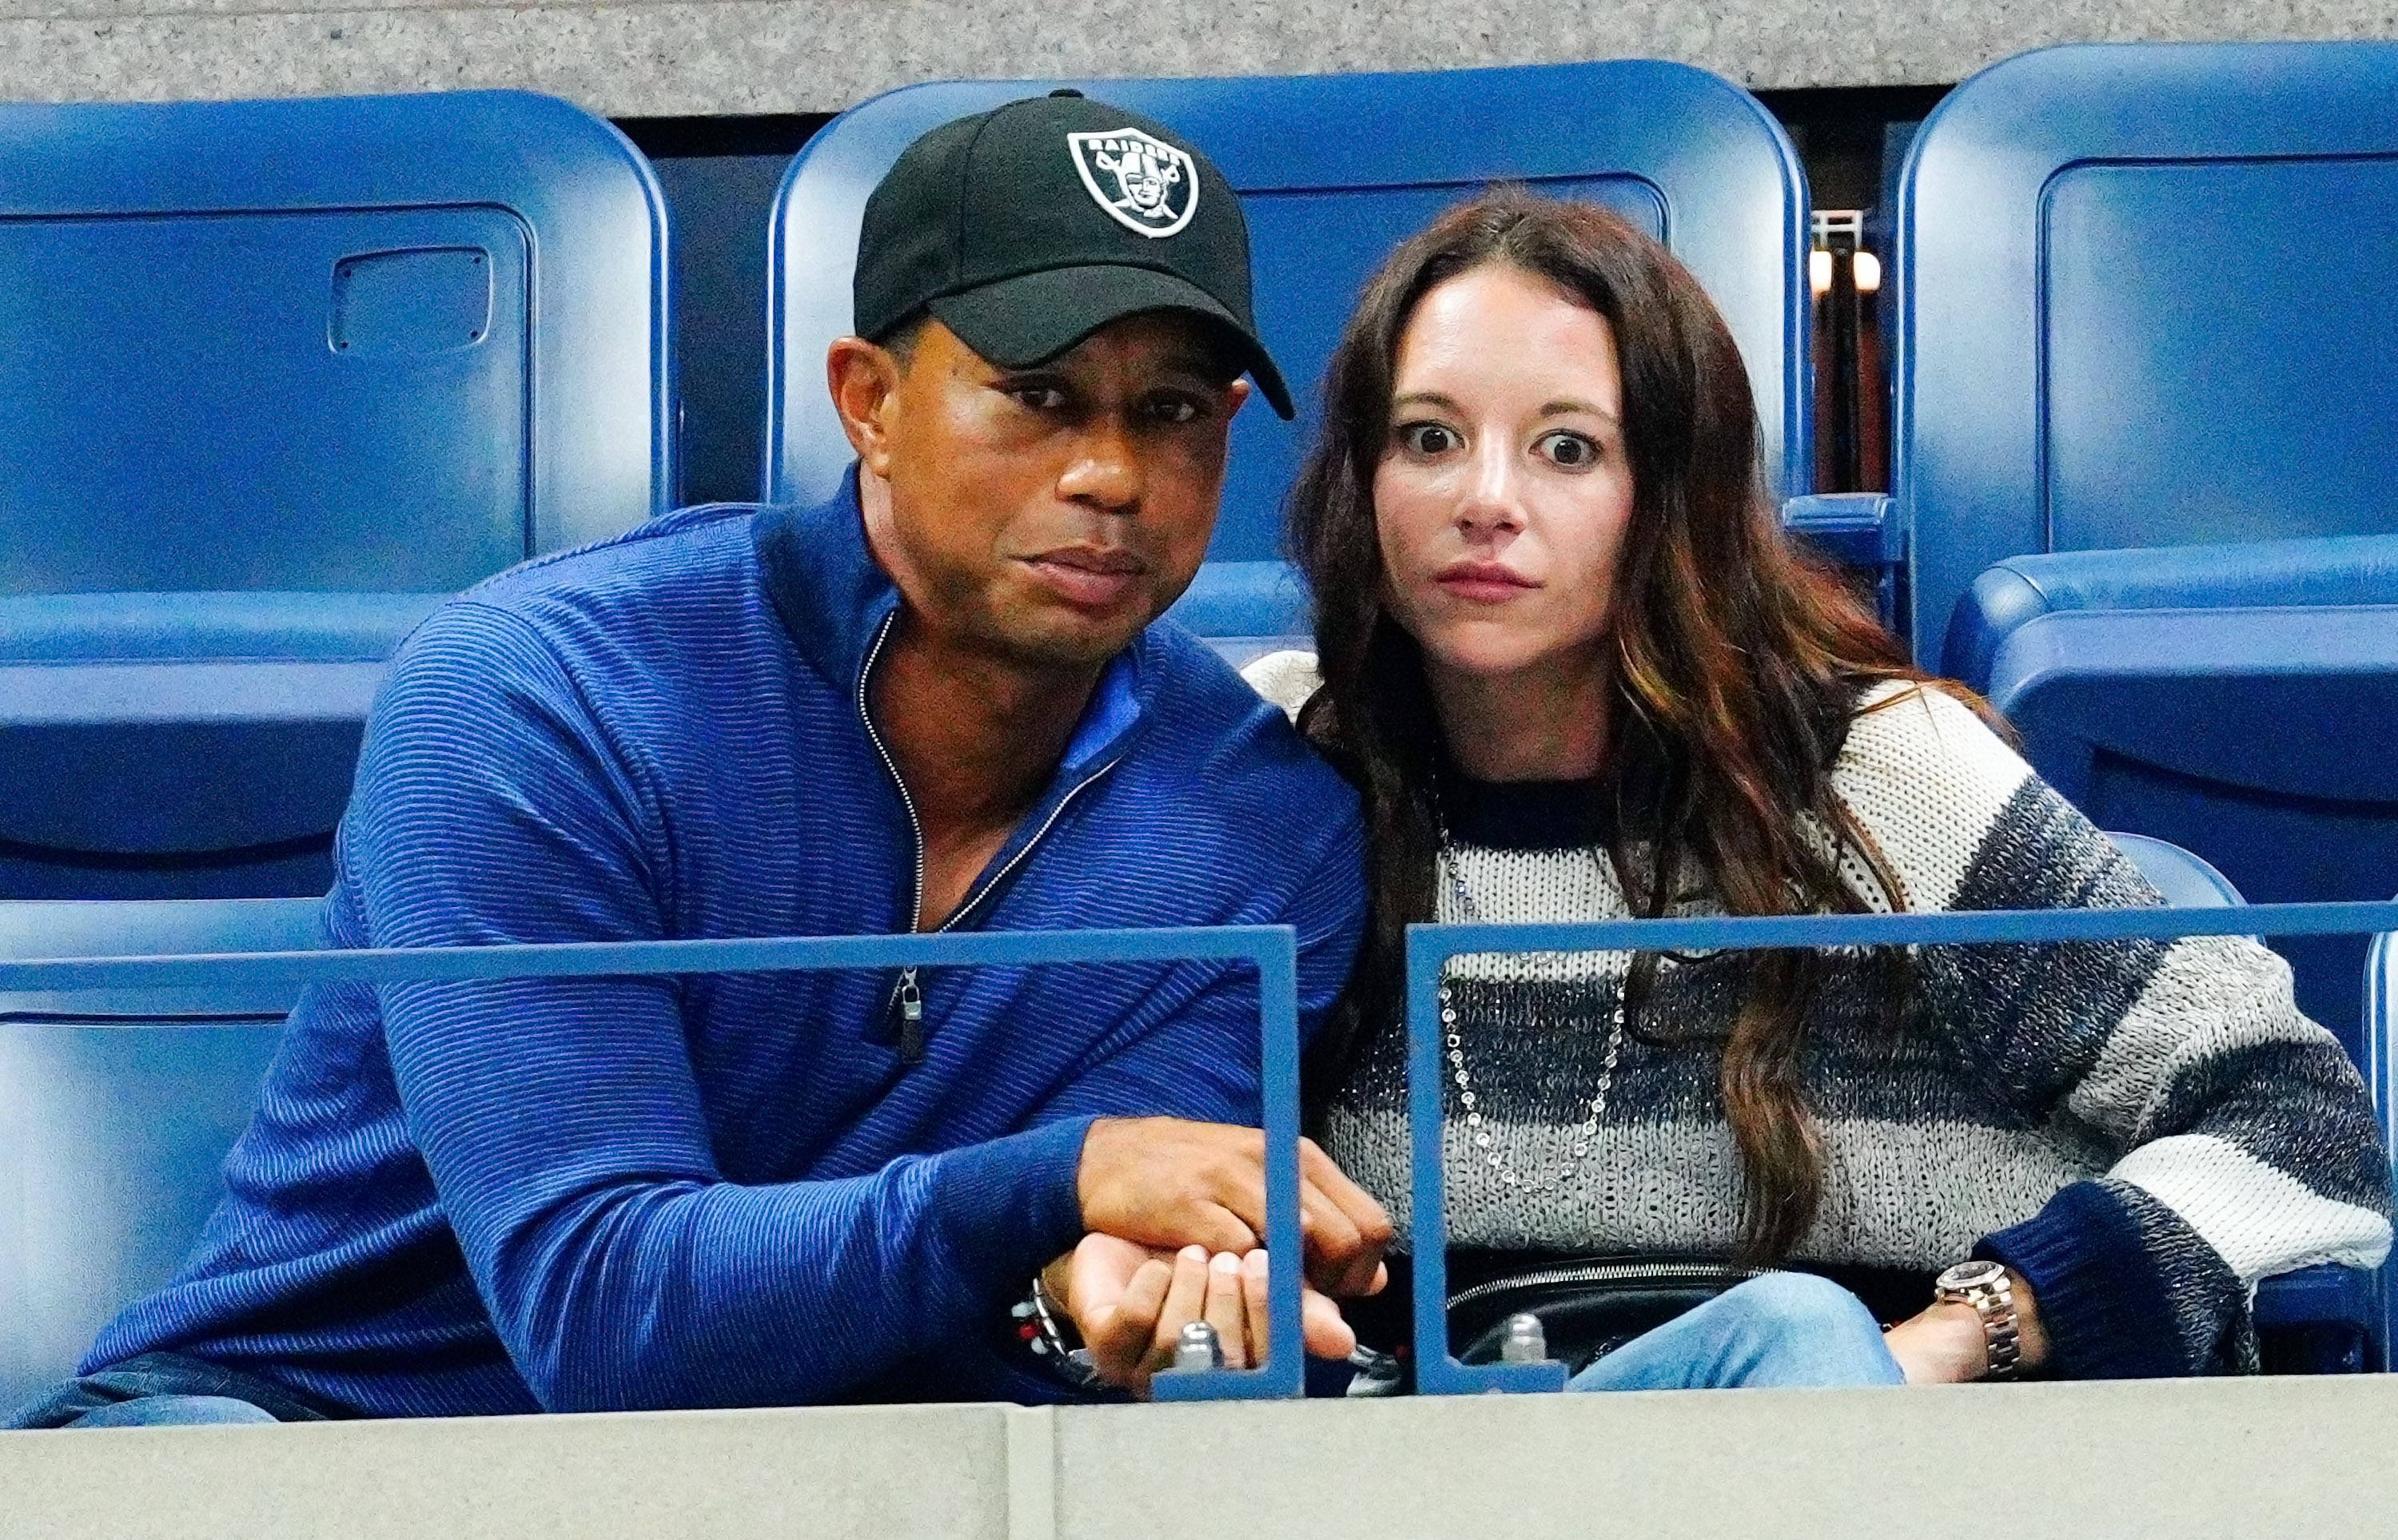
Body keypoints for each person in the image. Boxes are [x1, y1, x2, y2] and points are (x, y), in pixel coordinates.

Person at [9, 94, 1394, 1428]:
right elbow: (606, 1318)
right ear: (868, 402)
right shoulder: (540, 693)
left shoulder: (1262, 824)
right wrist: (1054, 1190)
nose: (1111, 474)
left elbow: (1067, 1269)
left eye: (1172, 413)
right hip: (313, 1432)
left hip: (853, 1480)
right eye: (1035, 395)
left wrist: (1088, 1309)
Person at [1082, 186, 2392, 1393]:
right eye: (1430, 439)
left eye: (1567, 451)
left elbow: (2303, 1122)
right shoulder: (1280, 762)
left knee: (1798, 1338)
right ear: (1362, 479)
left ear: (1674, 496)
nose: (1485, 502)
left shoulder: (1880, 774)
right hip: (1442, 1483)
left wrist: (1955, 1339)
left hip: (1861, 1472)